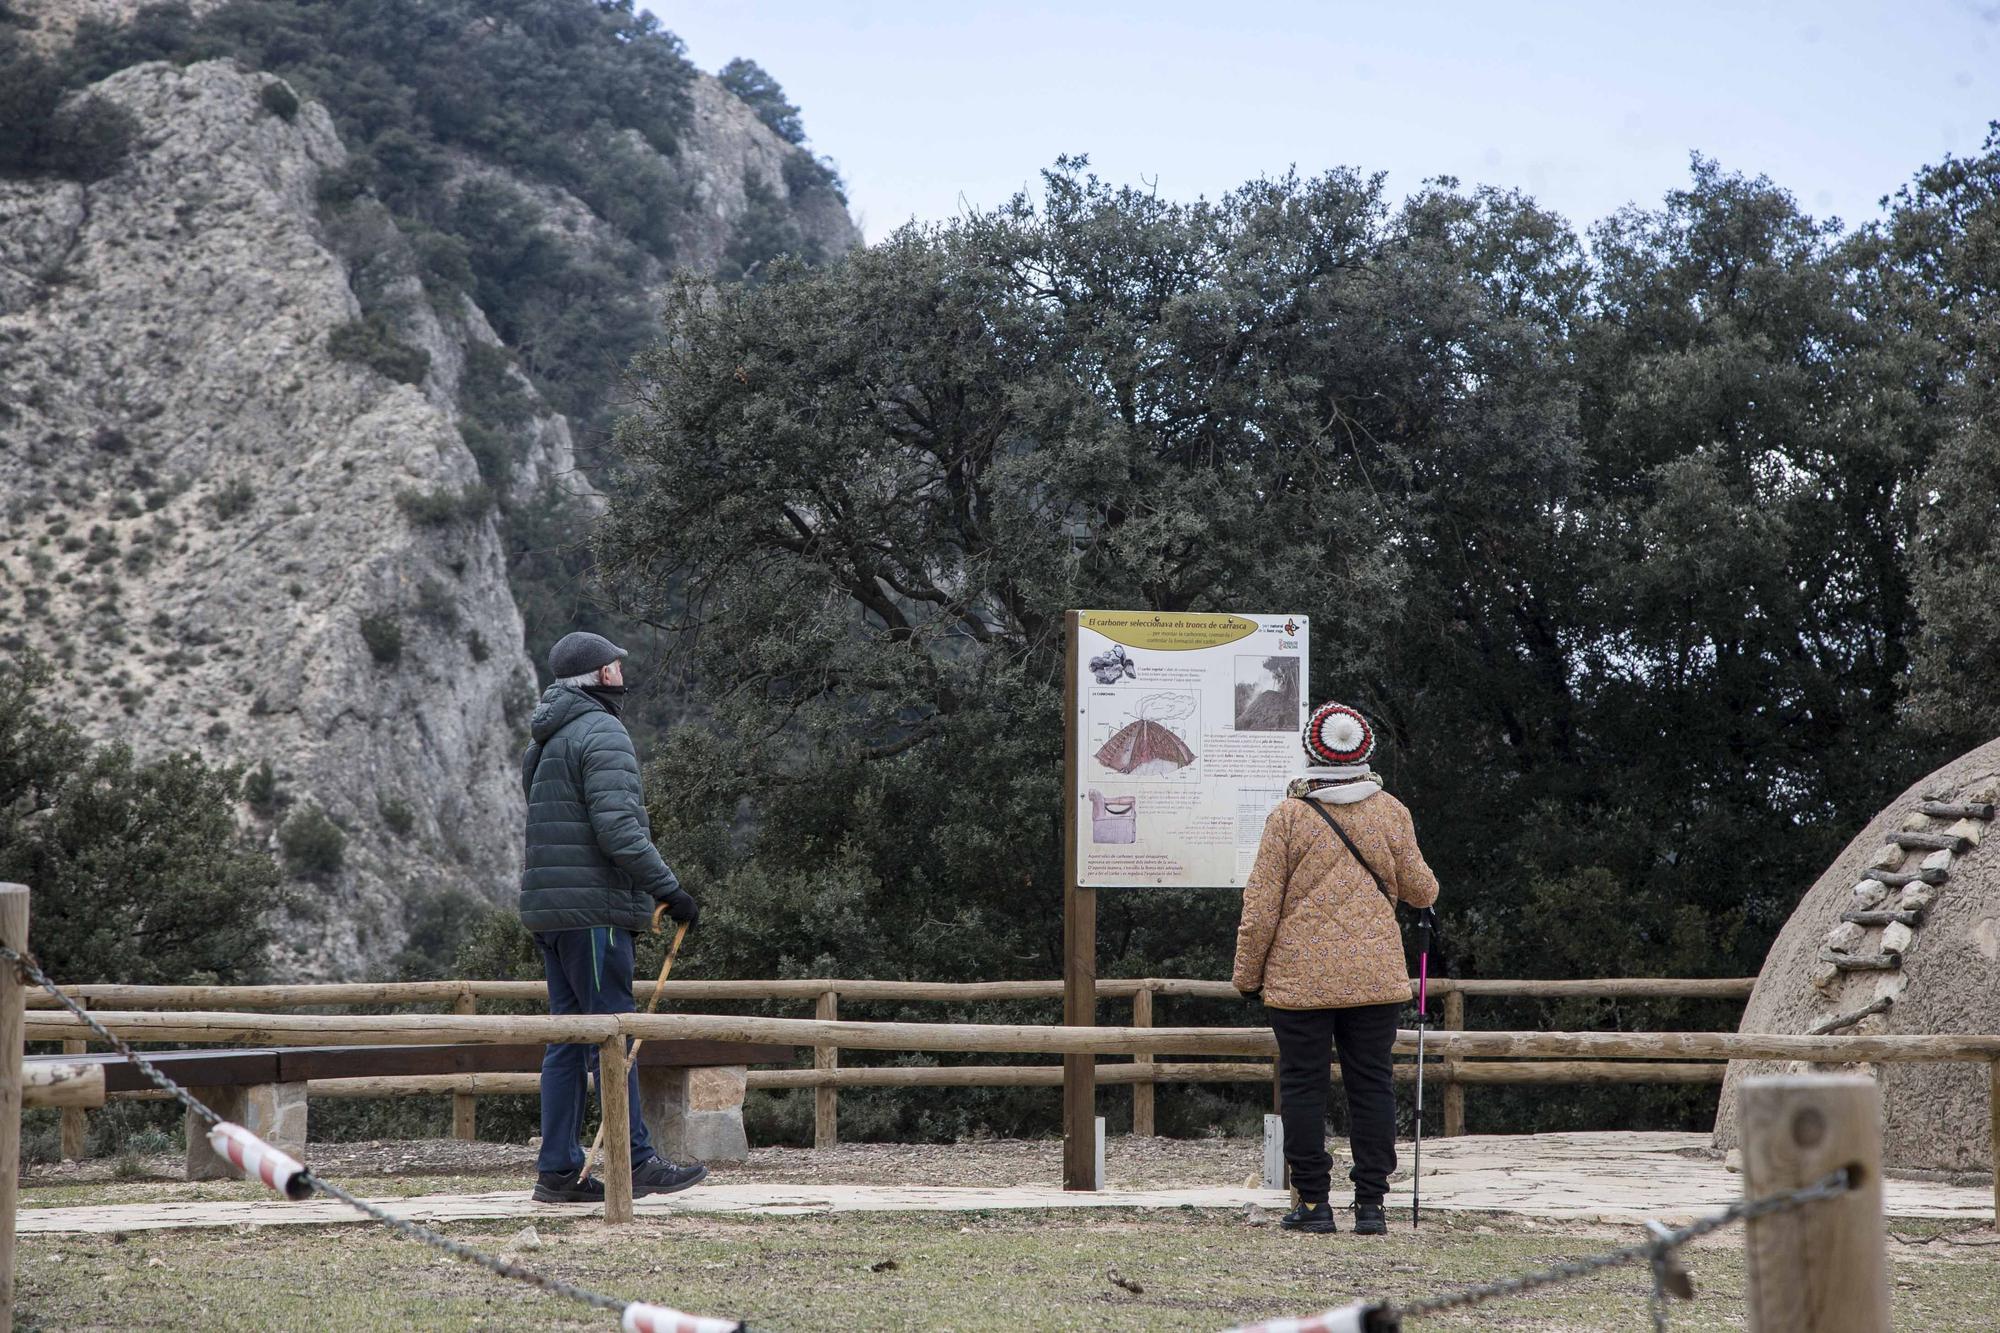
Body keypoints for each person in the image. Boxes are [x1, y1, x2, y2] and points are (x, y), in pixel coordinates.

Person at [1232, 701, 1439, 1236]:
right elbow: (1423, 891)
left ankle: (1313, 1203)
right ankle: (1371, 1204)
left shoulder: (1289, 816)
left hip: (1298, 981)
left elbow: (1260, 907)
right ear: (1364, 754)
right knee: (1372, 1084)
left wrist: (1246, 976)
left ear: (1310, 752)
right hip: (1375, 978)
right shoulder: (1390, 811)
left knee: (1302, 1085)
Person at [519, 631, 705, 1204]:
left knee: (568, 1040)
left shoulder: (546, 741)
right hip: (595, 913)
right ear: (600, 677)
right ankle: (637, 1162)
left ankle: (557, 1173)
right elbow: (619, 831)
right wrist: (670, 890)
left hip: (551, 912)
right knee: (614, 1035)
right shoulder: (602, 731)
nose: (622, 669)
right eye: (614, 664)